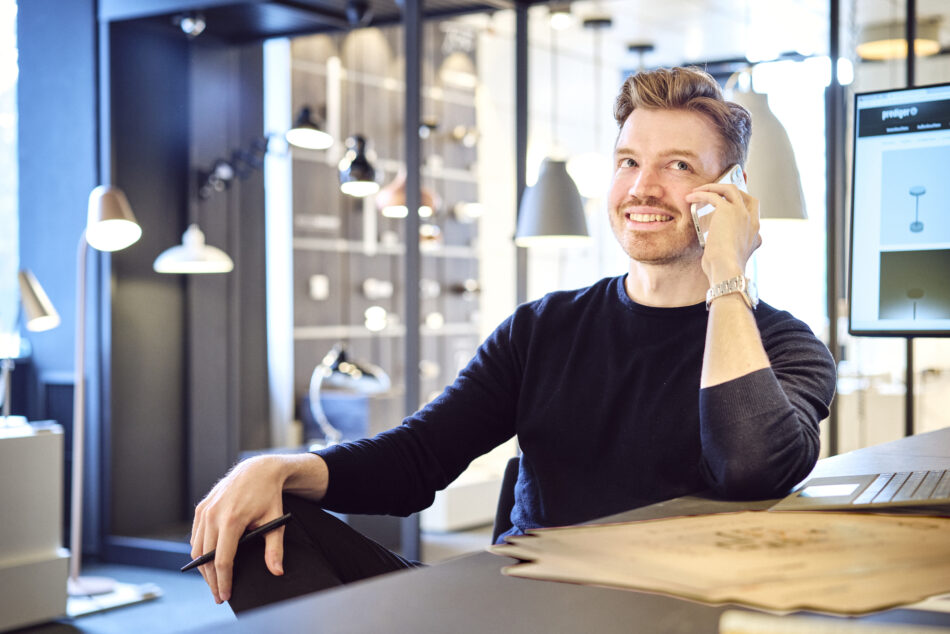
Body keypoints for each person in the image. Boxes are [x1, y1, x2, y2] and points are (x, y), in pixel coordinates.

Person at [190, 66, 836, 613]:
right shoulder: (544, 327)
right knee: (253, 524)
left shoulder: (784, 345)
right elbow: (417, 461)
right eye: (628, 162)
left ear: (731, 194)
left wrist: (728, 275)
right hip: (514, 603)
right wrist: (273, 466)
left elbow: (751, 468)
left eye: (678, 166)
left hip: (655, 615)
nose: (642, 187)